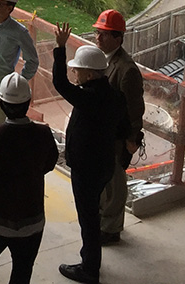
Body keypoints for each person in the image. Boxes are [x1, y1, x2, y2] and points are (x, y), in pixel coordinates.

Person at [53, 23, 128, 284]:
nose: (74, 73)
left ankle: (89, 268)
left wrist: (60, 49)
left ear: (90, 75)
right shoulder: (113, 95)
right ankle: (89, 257)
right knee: (92, 214)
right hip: (104, 163)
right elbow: (124, 126)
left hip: (87, 167)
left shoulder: (89, 97)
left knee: (88, 218)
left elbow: (59, 82)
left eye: (78, 70)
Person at [0, 72, 59, 284]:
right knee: (22, 271)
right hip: (31, 218)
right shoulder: (43, 134)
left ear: (1, 103)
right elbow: (48, 164)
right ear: (28, 102)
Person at [93, 10, 144, 246]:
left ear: (118, 38)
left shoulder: (126, 69)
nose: (98, 38)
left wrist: (132, 139)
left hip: (116, 136)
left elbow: (134, 109)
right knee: (104, 181)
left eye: (103, 34)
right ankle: (104, 222)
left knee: (114, 184)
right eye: (98, 33)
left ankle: (111, 229)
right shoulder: (101, 60)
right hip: (102, 134)